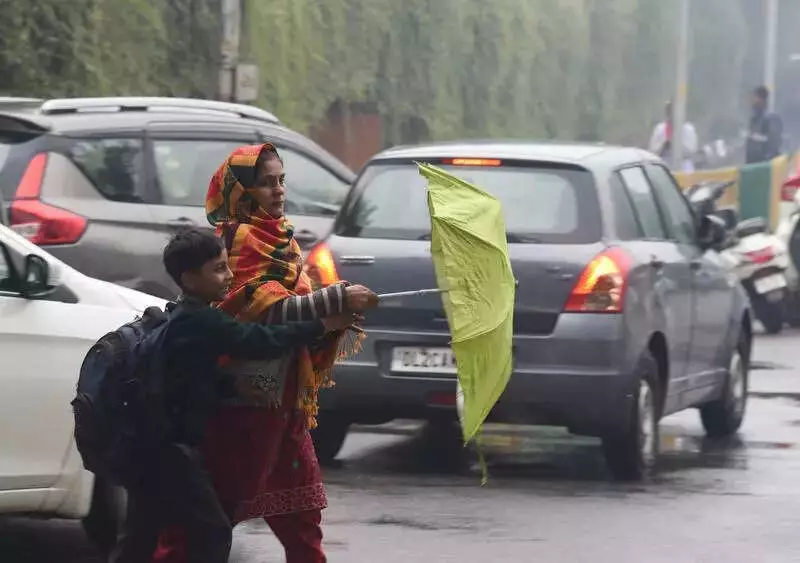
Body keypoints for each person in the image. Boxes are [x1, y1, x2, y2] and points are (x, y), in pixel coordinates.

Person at [152, 143, 379, 563]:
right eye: (267, 183)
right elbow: (263, 312)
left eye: (281, 181)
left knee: (303, 517)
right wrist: (335, 302)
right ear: (241, 191)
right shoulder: (236, 240)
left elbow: (290, 307)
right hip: (243, 404)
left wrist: (333, 309)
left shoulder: (282, 239)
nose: (278, 191)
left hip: (286, 398)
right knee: (207, 518)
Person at [110, 228, 359, 563]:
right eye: (218, 269)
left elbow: (190, 375)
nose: (230, 276)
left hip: (149, 447)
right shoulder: (204, 320)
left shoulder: (178, 316)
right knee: (211, 533)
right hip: (172, 453)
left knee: (140, 539)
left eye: (227, 266)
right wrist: (323, 324)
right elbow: (259, 339)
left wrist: (230, 387)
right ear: (189, 278)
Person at [648, 100, 699, 172]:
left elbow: (692, 150)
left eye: (673, 112)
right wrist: (664, 146)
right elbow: (652, 151)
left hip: (684, 168)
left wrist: (676, 143)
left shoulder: (688, 129)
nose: (671, 115)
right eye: (669, 112)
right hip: (664, 168)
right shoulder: (659, 129)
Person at [746, 85, 783, 164]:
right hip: (752, 164)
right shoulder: (753, 119)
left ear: (761, 99)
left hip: (764, 165)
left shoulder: (771, 118)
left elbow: (774, 142)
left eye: (754, 97)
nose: (751, 100)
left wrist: (767, 162)